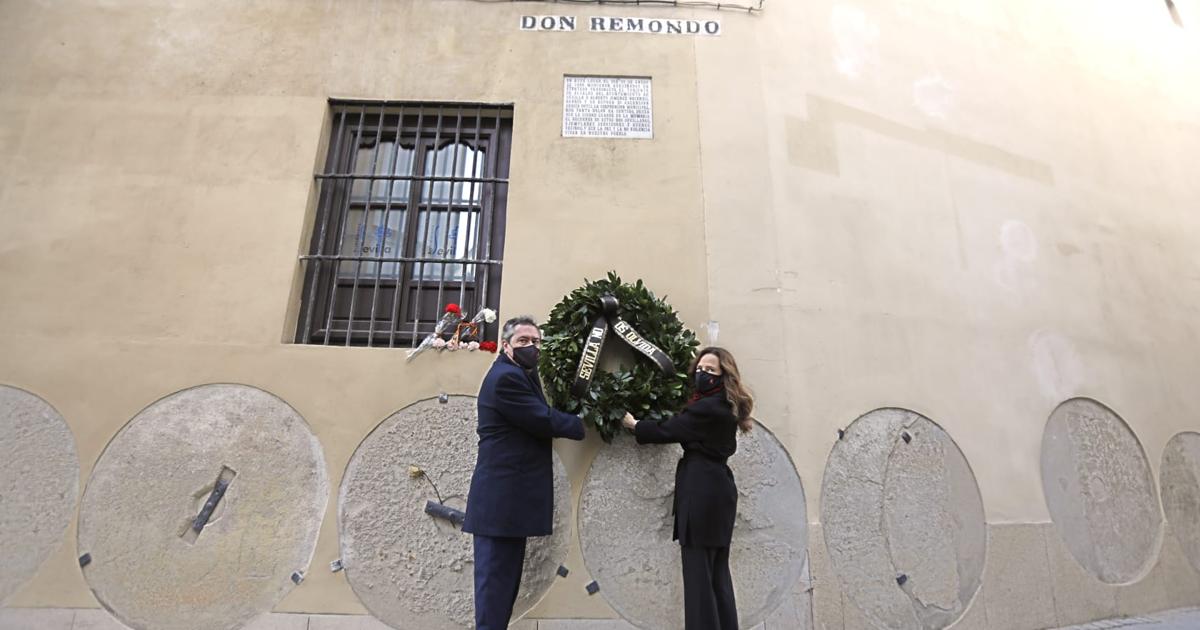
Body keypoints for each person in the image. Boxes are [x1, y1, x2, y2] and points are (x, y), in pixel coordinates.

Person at [463, 316, 586, 630]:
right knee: (494, 595)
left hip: (508, 507)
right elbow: (540, 419)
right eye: (523, 341)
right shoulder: (506, 377)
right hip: (500, 505)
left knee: (503, 592)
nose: (532, 347)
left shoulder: (521, 374)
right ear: (506, 346)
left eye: (536, 342)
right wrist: (582, 423)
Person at [621, 346, 754, 630]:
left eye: (711, 371)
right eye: (700, 370)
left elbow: (671, 429)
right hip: (718, 491)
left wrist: (636, 425)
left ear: (724, 376)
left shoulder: (707, 407)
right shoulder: (724, 406)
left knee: (698, 581)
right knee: (717, 576)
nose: (703, 375)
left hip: (701, 492)